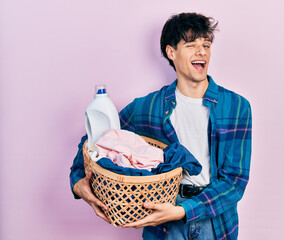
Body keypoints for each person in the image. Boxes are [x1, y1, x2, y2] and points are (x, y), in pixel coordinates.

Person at [70, 12, 252, 240]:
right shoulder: (148, 107)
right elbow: (99, 138)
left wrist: (183, 211)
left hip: (215, 222)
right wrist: (77, 181)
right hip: (163, 221)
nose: (202, 51)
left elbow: (235, 181)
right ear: (171, 52)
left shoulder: (236, 107)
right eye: (191, 44)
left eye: (206, 45)